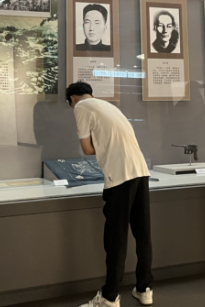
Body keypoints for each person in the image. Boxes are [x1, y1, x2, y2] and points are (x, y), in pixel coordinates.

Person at [67, 81, 153, 307]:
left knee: (116, 238)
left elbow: (87, 149)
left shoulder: (80, 107)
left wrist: (102, 145)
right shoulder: (109, 106)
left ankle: (109, 297)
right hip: (140, 171)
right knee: (142, 233)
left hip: (120, 175)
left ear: (72, 99)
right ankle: (145, 289)